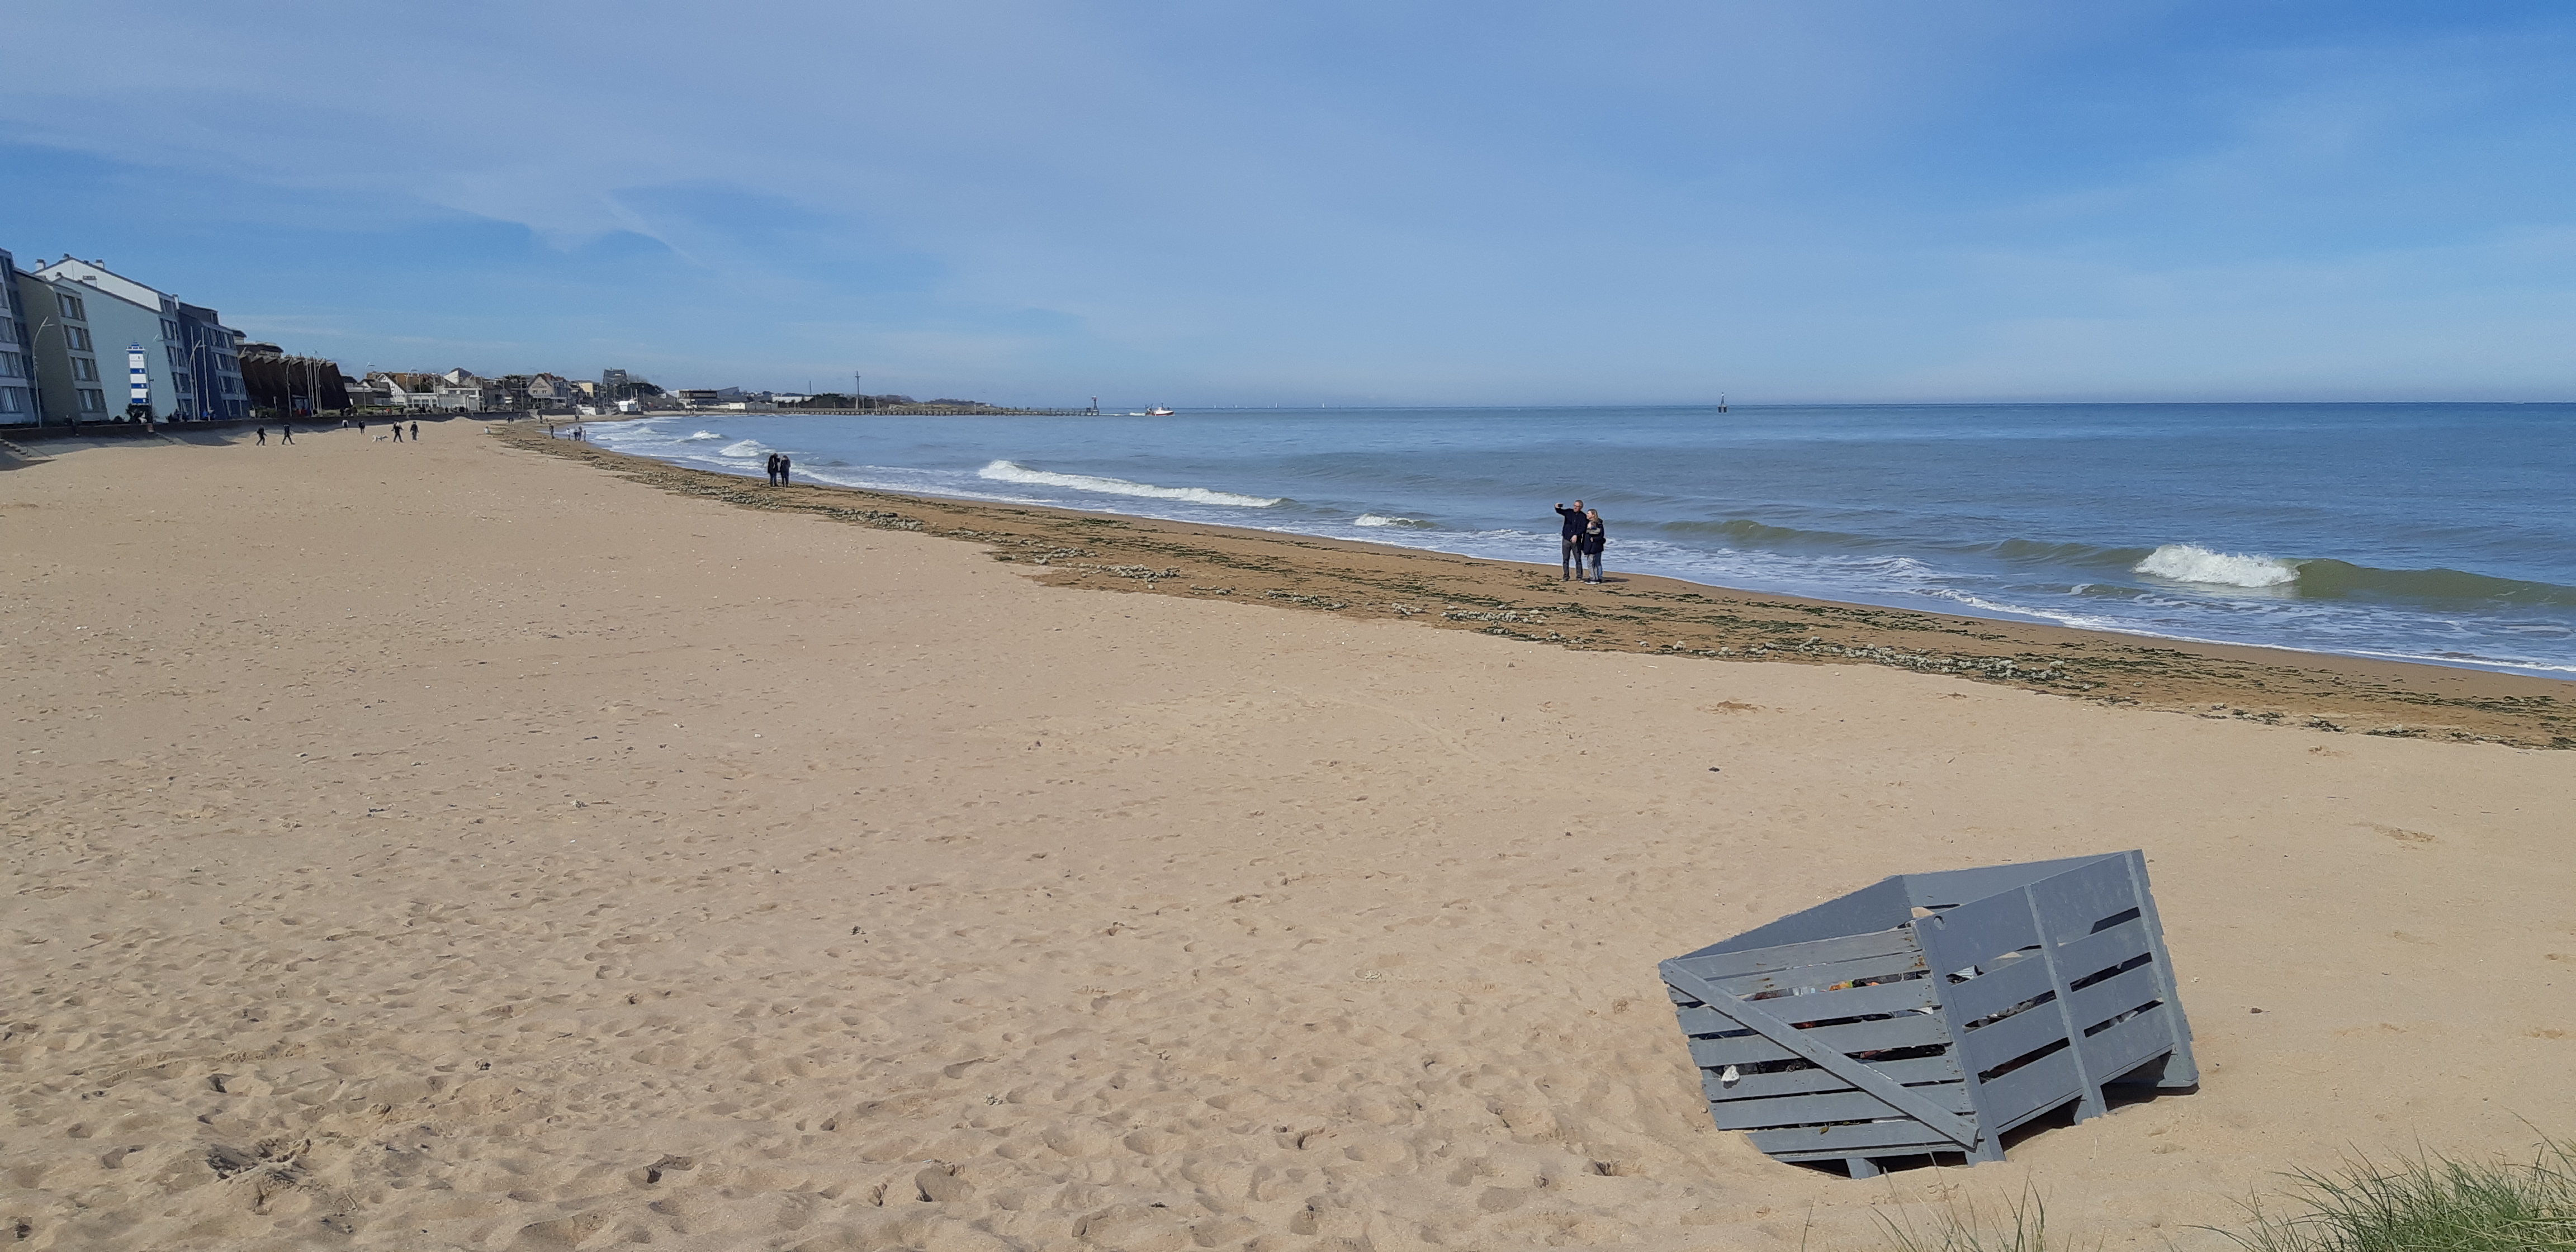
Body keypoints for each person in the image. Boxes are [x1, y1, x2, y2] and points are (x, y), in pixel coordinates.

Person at [1554, 500, 1587, 581]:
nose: (1575, 507)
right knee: (1566, 559)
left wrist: (1576, 535)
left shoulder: (1583, 516)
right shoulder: (1569, 512)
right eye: (1574, 506)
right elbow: (1560, 511)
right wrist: (1557, 507)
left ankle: (1579, 577)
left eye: (1577, 506)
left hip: (1577, 541)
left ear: (1581, 507)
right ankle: (1566, 576)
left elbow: (1583, 528)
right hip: (1566, 539)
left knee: (1578, 559)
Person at [1580, 509, 1607, 583]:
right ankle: (1597, 577)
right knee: (1595, 563)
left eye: (1588, 513)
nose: (1587, 515)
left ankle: (1595, 578)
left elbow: (1599, 533)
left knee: (1593, 563)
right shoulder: (1591, 522)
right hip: (1593, 546)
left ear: (1593, 515)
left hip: (1594, 547)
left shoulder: (1596, 523)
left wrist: (1590, 529)